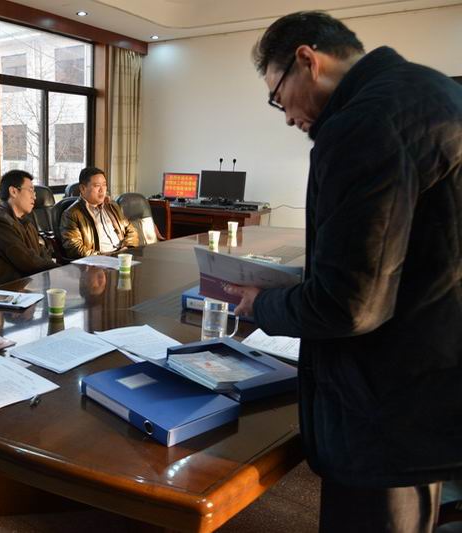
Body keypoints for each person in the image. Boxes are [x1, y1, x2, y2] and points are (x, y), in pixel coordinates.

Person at [225, 11, 462, 532]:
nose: (287, 117)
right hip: (433, 375)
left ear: (307, 60)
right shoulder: (432, 90)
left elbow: (349, 304)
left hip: (386, 402)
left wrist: (264, 303)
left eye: (278, 96)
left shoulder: (365, 123)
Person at [0, 170, 57, 284]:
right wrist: (59, 269)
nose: (34, 197)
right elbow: (27, 261)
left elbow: (41, 252)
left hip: (31, 283)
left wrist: (54, 267)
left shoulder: (26, 221)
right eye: (30, 190)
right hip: (9, 288)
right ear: (13, 191)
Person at [59, 167, 139, 258]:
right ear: (82, 188)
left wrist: (126, 248)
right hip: (99, 261)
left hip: (123, 255)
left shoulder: (112, 206)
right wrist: (104, 257)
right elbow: (74, 248)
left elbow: (131, 230)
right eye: (97, 186)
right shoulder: (71, 214)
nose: (102, 190)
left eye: (104, 185)